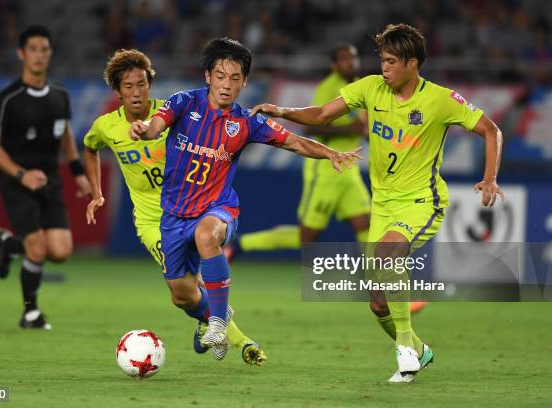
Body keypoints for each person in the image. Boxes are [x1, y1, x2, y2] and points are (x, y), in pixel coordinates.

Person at [250, 23, 504, 383]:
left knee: (387, 256)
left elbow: (491, 130)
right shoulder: (370, 88)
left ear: (412, 63)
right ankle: (420, 348)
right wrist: (282, 111)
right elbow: (322, 114)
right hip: (383, 203)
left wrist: (490, 177)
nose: (383, 67)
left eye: (390, 61)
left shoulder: (442, 100)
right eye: (382, 60)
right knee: (378, 302)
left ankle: (403, 349)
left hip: (422, 201)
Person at [128, 37, 362, 357]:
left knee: (206, 234)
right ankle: (211, 314)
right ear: (208, 76)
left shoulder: (246, 122)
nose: (227, 85)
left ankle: (219, 322)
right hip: (173, 213)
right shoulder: (183, 102)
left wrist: (330, 153)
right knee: (182, 295)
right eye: (221, 76)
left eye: (235, 78)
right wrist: (145, 130)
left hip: (218, 207)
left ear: (245, 82)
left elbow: (293, 142)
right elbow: (157, 125)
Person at [83, 49, 267, 365]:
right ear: (118, 90)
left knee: (193, 287)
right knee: (185, 291)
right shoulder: (106, 127)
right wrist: (97, 192)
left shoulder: (172, 114)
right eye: (128, 86)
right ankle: (221, 326)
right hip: (153, 222)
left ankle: (236, 339)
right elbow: (89, 148)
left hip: (194, 210)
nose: (137, 92)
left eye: (142, 84)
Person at [223, 43, 428, 314]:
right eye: (345, 60)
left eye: (354, 59)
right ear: (335, 65)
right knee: (306, 238)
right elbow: (313, 124)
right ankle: (239, 246)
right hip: (325, 173)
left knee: (367, 226)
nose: (351, 64)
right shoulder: (330, 87)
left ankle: (382, 290)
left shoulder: (365, 86)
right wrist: (351, 127)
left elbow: (367, 128)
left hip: (349, 171)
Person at [0, 25, 92, 330]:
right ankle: (30, 312)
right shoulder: (8, 99)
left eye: (44, 49)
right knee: (38, 249)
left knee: (60, 251)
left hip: (50, 180)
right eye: (33, 49)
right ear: (21, 54)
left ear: (50, 53)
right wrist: (21, 174)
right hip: (17, 181)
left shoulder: (60, 95)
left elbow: (66, 135)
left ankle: (7, 245)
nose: (39, 55)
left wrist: (78, 173)